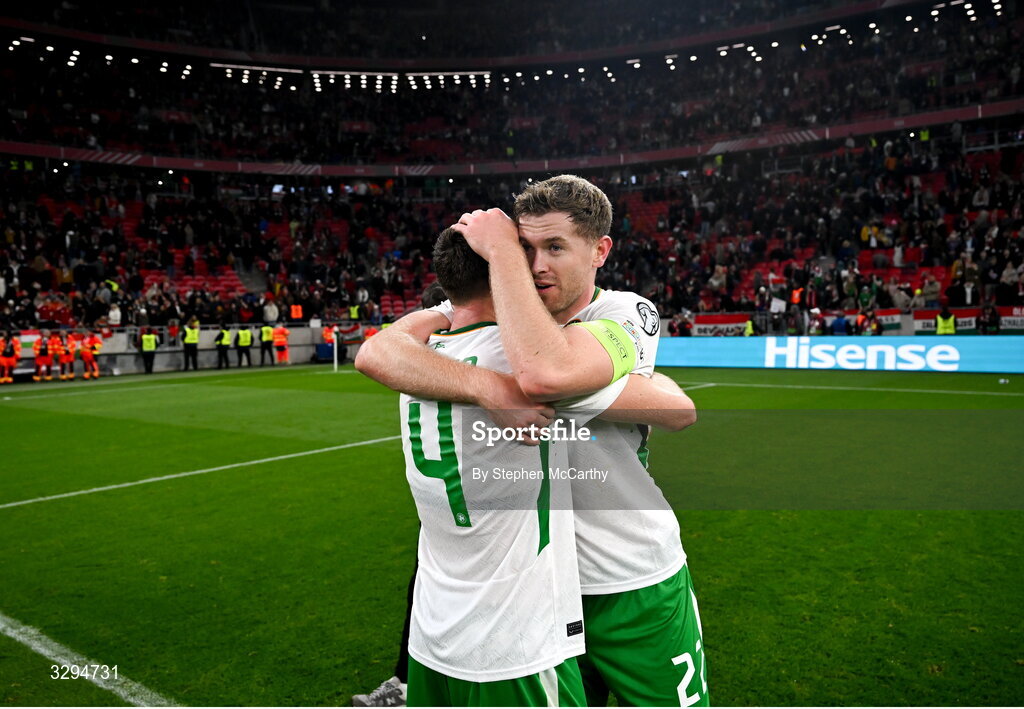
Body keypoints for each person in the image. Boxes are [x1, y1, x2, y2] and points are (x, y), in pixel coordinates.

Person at [357, 175, 708, 707]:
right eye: (527, 248)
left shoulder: (625, 312)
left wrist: (496, 256)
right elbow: (378, 352)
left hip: (627, 570)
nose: (537, 266)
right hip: (538, 589)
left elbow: (553, 375)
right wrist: (489, 387)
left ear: (600, 251)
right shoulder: (505, 314)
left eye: (556, 247)